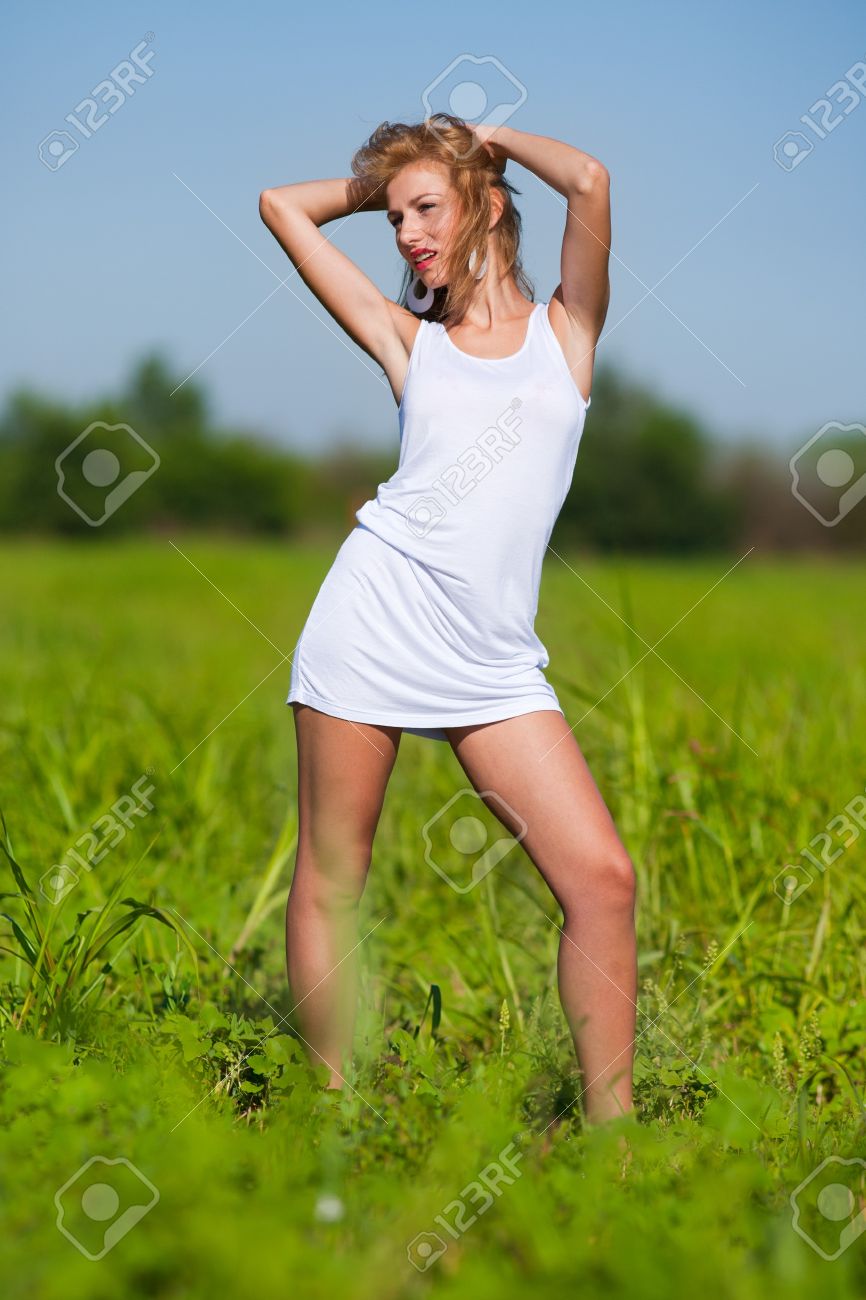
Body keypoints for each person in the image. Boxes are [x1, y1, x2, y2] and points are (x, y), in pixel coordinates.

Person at [259, 113, 636, 1125]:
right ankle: (330, 1124)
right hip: (371, 619)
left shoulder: (566, 335)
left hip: (493, 659)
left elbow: (590, 179)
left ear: (488, 201)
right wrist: (391, 176)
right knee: (334, 873)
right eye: (394, 219)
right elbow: (280, 207)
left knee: (602, 880)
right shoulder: (409, 341)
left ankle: (618, 1148)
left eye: (426, 209)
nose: (406, 234)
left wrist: (483, 138)